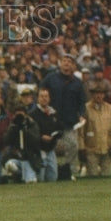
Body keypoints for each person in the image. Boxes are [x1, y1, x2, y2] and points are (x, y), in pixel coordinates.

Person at [39, 53, 87, 182]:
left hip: (69, 121)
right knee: (46, 146)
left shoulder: (77, 83)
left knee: (73, 146)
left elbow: (82, 102)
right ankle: (45, 171)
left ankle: (68, 170)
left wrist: (82, 115)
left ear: (73, 65)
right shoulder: (50, 78)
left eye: (69, 61)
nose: (66, 63)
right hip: (51, 120)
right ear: (60, 63)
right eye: (64, 61)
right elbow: (40, 94)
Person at [78, 81, 111, 177]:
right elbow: (80, 131)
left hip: (107, 148)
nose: (99, 96)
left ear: (104, 95)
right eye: (96, 93)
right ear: (92, 95)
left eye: (101, 93)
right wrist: (81, 148)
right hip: (91, 150)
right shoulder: (85, 109)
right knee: (92, 176)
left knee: (107, 176)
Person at [29, 87, 62, 182]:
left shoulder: (53, 113)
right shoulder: (32, 115)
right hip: (39, 150)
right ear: (38, 99)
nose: (44, 98)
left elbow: (60, 128)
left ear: (49, 98)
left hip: (51, 149)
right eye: (42, 96)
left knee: (53, 176)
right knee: (40, 177)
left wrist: (55, 136)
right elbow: (30, 133)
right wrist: (41, 137)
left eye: (46, 96)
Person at [2, 106, 42, 184]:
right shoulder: (12, 126)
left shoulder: (32, 124)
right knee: (10, 164)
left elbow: (36, 140)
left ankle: (22, 175)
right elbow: (6, 140)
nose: (19, 118)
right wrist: (14, 129)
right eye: (17, 115)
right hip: (15, 157)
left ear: (26, 115)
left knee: (31, 181)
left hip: (30, 159)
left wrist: (25, 130)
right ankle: (17, 174)